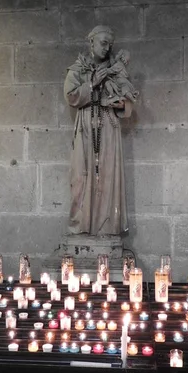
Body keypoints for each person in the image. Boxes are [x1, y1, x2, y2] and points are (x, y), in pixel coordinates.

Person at [64, 25, 137, 235]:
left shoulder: (116, 71)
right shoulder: (78, 69)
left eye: (110, 45)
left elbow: (128, 100)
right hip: (86, 128)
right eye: (103, 43)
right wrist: (92, 83)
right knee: (80, 177)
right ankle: (81, 226)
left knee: (107, 176)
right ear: (91, 43)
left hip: (108, 128)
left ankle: (106, 228)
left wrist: (121, 105)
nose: (107, 48)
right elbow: (71, 96)